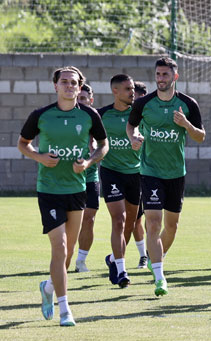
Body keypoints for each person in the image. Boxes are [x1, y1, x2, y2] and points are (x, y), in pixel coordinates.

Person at [19, 66, 109, 326]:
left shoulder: (90, 115)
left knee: (67, 252)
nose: (69, 86)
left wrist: (89, 163)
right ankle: (65, 309)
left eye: (74, 83)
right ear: (55, 86)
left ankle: (48, 288)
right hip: (49, 189)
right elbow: (22, 143)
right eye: (64, 82)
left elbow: (104, 145)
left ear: (80, 88)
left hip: (77, 189)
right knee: (58, 247)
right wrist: (39, 157)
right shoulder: (41, 115)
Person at [126, 57, 205, 296]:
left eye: (165, 75)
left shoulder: (188, 104)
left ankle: (155, 258)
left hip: (176, 174)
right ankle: (160, 277)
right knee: (153, 223)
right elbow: (132, 126)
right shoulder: (144, 104)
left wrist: (186, 124)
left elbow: (200, 136)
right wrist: (134, 137)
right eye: (158, 75)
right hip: (150, 171)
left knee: (171, 227)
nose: (161, 79)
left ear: (175, 77)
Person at [98, 74, 141, 288]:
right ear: (115, 91)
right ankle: (122, 270)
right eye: (127, 89)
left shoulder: (139, 114)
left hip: (136, 173)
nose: (132, 92)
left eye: (133, 88)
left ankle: (113, 259)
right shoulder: (102, 115)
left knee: (130, 224)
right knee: (119, 219)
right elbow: (90, 138)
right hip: (111, 172)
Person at [72, 83, 100, 272]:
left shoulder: (96, 119)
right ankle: (63, 254)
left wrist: (95, 148)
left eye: (83, 99)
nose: (80, 102)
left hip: (90, 175)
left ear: (90, 100)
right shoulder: (66, 117)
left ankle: (81, 260)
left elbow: (103, 143)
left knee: (89, 219)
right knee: (70, 221)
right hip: (68, 176)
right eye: (77, 99)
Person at [131, 81, 149, 269]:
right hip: (130, 173)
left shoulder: (151, 116)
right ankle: (144, 255)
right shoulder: (128, 119)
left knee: (152, 216)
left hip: (150, 172)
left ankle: (149, 254)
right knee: (135, 218)